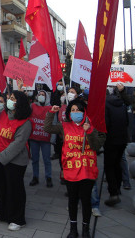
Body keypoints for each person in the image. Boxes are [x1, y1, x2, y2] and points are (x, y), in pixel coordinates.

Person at [44, 99, 104, 238]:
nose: (76, 112)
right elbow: (47, 128)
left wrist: (88, 131)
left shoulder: (93, 127)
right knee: (72, 200)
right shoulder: (64, 126)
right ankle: (73, 228)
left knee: (86, 200)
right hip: (70, 170)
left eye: (79, 110)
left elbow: (96, 146)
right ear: (69, 112)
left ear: (84, 112)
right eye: (73, 110)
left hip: (87, 171)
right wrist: (51, 113)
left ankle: (86, 229)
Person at [0, 91, 32, 231]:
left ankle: (18, 219)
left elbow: (18, 144)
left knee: (15, 189)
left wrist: (0, 157)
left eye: (12, 99)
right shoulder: (2, 114)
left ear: (20, 103)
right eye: (9, 98)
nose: (9, 101)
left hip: (15, 161)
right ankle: (1, 213)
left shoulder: (26, 122)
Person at [104, 83, 131, 206]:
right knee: (117, 164)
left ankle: (113, 193)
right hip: (122, 139)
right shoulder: (121, 104)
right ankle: (118, 188)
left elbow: (106, 124)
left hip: (111, 140)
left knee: (109, 166)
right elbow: (126, 121)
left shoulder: (106, 105)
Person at [28, 90, 53, 188]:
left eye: (43, 95)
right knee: (35, 159)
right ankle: (35, 176)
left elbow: (53, 122)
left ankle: (48, 177)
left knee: (47, 159)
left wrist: (53, 139)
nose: (41, 96)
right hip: (34, 137)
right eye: (40, 95)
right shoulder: (32, 106)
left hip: (45, 138)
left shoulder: (50, 108)